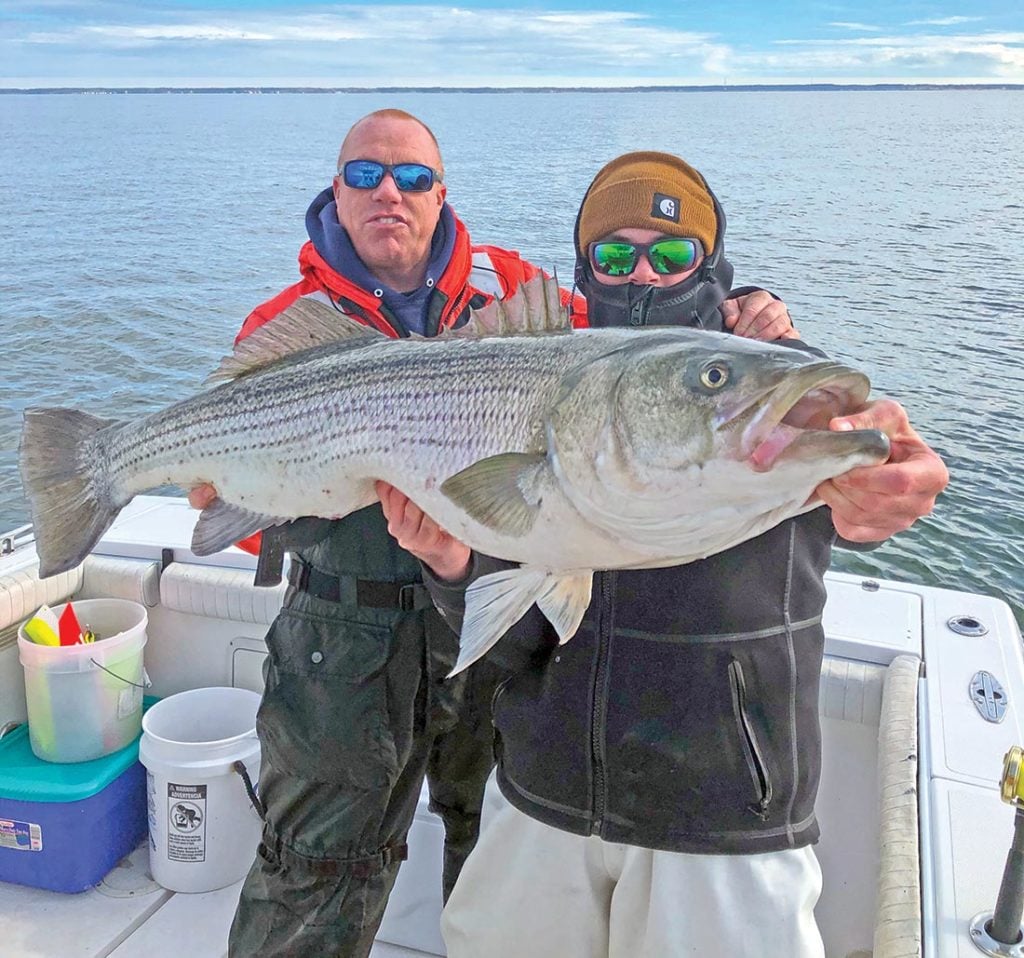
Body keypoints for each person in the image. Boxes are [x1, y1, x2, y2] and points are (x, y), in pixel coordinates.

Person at [188, 122, 791, 957]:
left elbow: (634, 359)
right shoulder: (290, 320)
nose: (386, 191)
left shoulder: (509, 290)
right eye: (364, 173)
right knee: (313, 861)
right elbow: (246, 478)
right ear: (335, 191)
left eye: (410, 175)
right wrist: (236, 494)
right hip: (341, 634)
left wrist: (739, 310)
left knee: (483, 847)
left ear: (442, 193)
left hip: (481, 611)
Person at [377, 151, 950, 958]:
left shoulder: (772, 401)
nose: (642, 272)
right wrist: (452, 567)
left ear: (712, 262)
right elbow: (521, 645)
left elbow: (877, 455)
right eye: (614, 255)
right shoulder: (546, 396)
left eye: (671, 252)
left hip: (723, 821)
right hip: (542, 795)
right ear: (586, 271)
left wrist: (889, 484)